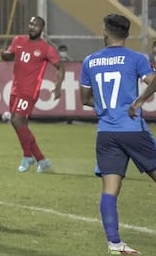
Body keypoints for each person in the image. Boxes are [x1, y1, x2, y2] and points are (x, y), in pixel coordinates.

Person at [79, 14, 156, 256]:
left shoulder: (90, 61)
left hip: (106, 133)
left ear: (105, 32)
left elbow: (84, 99)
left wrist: (104, 107)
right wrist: (139, 100)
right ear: (127, 34)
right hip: (132, 129)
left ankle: (114, 244)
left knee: (110, 188)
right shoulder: (136, 58)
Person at [0, 16, 65, 172]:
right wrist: (2, 54)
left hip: (29, 91)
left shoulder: (46, 48)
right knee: (21, 126)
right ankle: (42, 160)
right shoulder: (18, 40)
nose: (33, 26)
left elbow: (60, 67)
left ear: (42, 29)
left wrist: (58, 86)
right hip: (15, 89)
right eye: (31, 23)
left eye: (37, 25)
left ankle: (28, 156)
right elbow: (9, 55)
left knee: (16, 120)